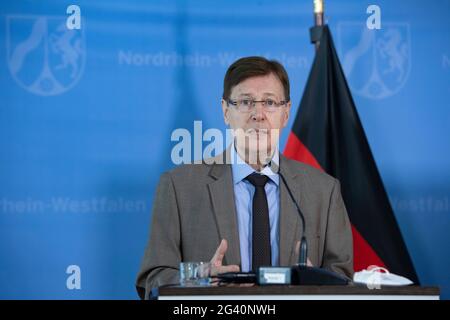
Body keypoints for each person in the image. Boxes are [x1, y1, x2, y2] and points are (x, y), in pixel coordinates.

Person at [136, 56, 353, 299]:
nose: (258, 114)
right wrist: (200, 275)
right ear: (226, 111)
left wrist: (316, 283)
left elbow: (344, 281)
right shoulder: (178, 187)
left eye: (270, 102)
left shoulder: (324, 191)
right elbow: (152, 279)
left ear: (285, 113)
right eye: (245, 102)